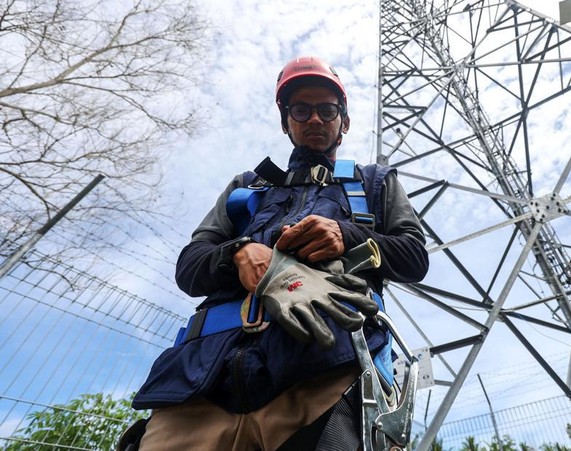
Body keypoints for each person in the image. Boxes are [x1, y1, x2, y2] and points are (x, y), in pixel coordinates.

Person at [126, 56, 429, 450]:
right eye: (301, 110)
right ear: (286, 122)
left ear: (344, 122)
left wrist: (346, 233)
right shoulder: (246, 189)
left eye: (327, 109)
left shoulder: (373, 184)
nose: (315, 119)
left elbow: (414, 258)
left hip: (327, 375)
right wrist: (237, 252)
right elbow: (189, 267)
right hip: (202, 382)